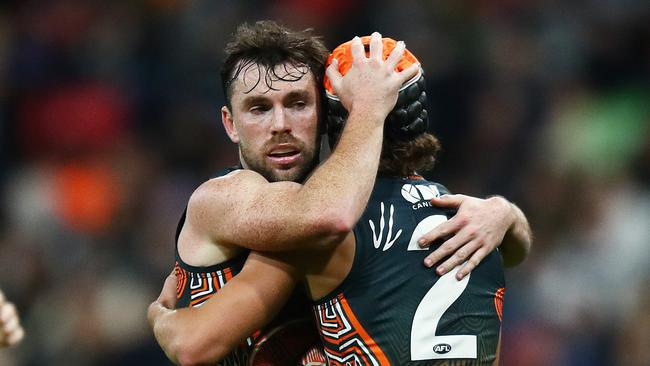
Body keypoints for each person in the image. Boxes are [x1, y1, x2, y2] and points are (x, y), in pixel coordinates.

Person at [148, 22, 532, 365]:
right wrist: (505, 215)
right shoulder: (228, 195)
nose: (280, 125)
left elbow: (189, 344)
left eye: (298, 104)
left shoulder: (319, 235)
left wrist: (160, 320)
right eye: (259, 109)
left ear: (327, 116)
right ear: (230, 124)